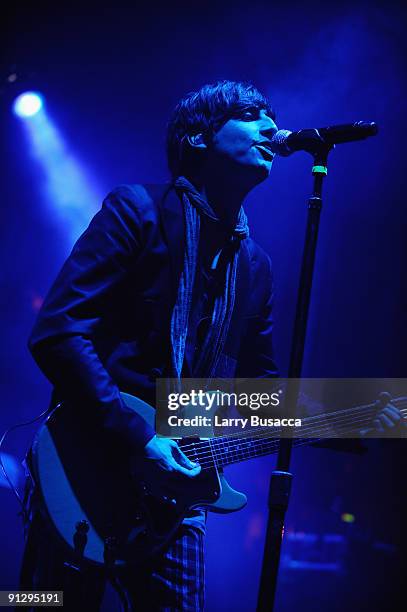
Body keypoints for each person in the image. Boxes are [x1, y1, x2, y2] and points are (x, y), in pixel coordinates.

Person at [21, 80, 403, 610]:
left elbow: (255, 392)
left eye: (271, 116)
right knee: (37, 603)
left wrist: (354, 416)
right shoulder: (138, 211)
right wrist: (140, 437)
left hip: (178, 496)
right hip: (85, 465)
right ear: (199, 138)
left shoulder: (256, 267)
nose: (273, 127)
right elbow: (59, 332)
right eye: (252, 115)